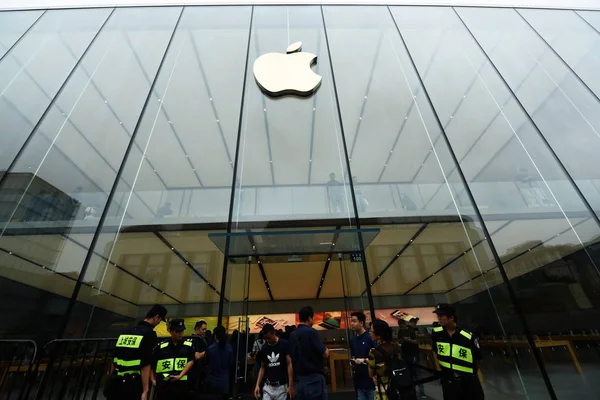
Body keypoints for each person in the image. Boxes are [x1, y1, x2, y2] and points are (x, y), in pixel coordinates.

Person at [105, 304, 167, 400]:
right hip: (133, 383)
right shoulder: (149, 333)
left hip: (116, 380)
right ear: (157, 317)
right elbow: (145, 363)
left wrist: (111, 380)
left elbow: (114, 358)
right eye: (160, 321)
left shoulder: (126, 331)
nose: (158, 323)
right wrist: (145, 390)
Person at [432, 304, 484, 400]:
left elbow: (478, 359)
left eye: (441, 316)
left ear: (451, 317)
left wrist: (470, 374)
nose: (439, 318)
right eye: (438, 316)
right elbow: (436, 351)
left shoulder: (468, 336)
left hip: (468, 380)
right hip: (448, 380)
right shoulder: (436, 333)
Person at [292, 306, 329, 400]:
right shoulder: (311, 332)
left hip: (299, 381)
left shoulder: (293, 335)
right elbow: (325, 354)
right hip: (314, 381)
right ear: (309, 318)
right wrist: (326, 349)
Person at [152, 319, 195, 399]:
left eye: (182, 331)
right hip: (164, 386)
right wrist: (154, 381)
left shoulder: (188, 346)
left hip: (182, 386)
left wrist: (180, 375)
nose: (180, 333)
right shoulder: (161, 347)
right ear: (171, 331)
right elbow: (151, 364)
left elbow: (191, 360)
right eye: (178, 331)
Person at [254, 324, 294, 400]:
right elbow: (262, 368)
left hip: (281, 386)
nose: (267, 340)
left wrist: (290, 385)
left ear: (273, 333)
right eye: (266, 339)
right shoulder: (264, 348)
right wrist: (257, 385)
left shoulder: (284, 344)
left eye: (269, 338)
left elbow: (289, 364)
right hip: (268, 386)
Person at [368, 319, 398, 400]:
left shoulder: (374, 352)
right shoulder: (396, 348)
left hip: (384, 391)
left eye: (371, 331)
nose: (369, 333)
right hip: (398, 388)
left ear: (378, 335)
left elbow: (370, 374)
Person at [350, 311, 376, 400]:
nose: (352, 324)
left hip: (371, 381)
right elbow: (353, 355)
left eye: (354, 321)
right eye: (351, 321)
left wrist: (363, 360)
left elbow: (376, 358)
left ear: (361, 323)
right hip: (359, 382)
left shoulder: (370, 337)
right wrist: (353, 361)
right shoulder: (353, 339)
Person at [399, 318, 426, 398]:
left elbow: (416, 341)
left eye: (402, 326)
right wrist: (402, 340)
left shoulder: (411, 330)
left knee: (417, 372)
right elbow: (399, 341)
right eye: (400, 327)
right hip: (405, 353)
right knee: (409, 372)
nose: (402, 328)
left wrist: (409, 340)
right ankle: (412, 390)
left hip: (413, 353)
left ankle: (422, 391)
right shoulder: (400, 331)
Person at [205, 326, 234, 398]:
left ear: (215, 336)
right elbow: (231, 364)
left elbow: (206, 362)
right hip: (224, 381)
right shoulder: (229, 348)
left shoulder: (211, 349)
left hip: (212, 381)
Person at [190, 320, 209, 391]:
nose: (204, 331)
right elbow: (197, 356)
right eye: (203, 329)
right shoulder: (197, 339)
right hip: (196, 369)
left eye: (205, 329)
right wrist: (207, 351)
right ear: (197, 329)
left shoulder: (191, 338)